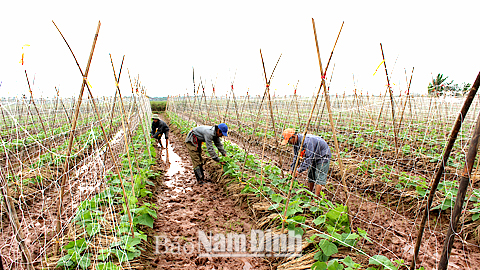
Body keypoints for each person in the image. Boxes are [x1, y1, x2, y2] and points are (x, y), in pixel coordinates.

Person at [281, 128, 331, 198]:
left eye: (289, 140)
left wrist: (298, 170)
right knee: (311, 175)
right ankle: (309, 193)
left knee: (319, 177)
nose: (289, 143)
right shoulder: (295, 143)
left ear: (294, 137)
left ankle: (316, 198)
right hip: (313, 156)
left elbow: (308, 159)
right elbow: (296, 157)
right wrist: (292, 170)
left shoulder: (307, 142)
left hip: (322, 156)